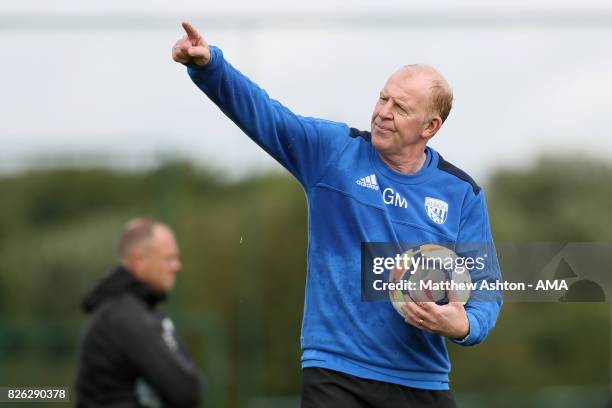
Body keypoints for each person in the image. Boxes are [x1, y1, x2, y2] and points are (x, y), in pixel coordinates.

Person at [172, 21, 502, 408]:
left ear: (431, 126)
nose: (382, 113)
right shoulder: (333, 154)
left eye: (400, 108)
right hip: (335, 372)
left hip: (421, 379)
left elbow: (486, 287)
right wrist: (211, 66)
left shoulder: (461, 194)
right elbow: (267, 117)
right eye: (382, 99)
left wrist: (463, 325)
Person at [75, 218, 204, 408]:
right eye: (169, 258)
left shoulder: (143, 312)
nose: (177, 266)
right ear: (139, 260)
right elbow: (185, 391)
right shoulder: (123, 317)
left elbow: (188, 385)